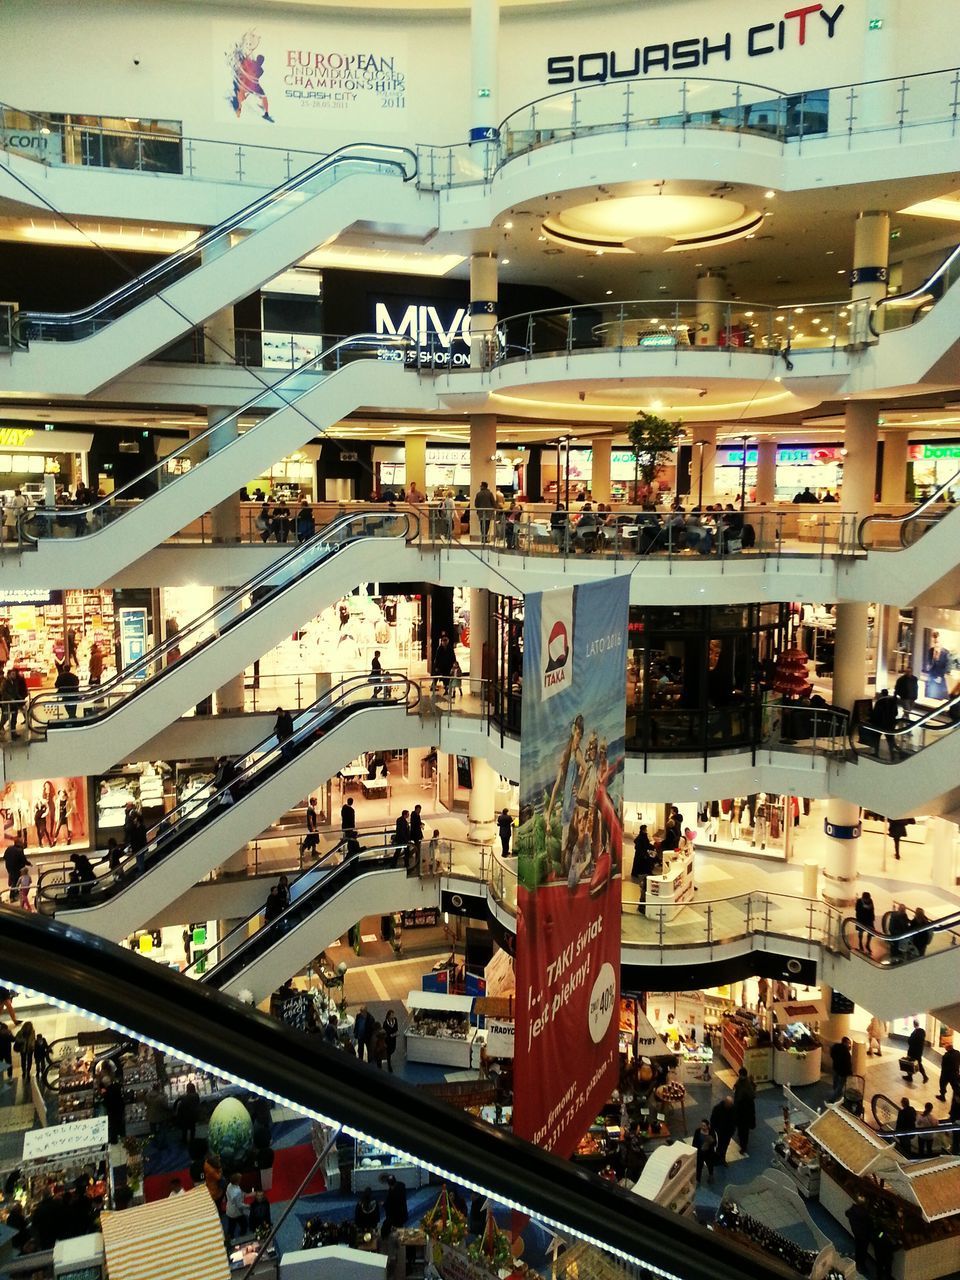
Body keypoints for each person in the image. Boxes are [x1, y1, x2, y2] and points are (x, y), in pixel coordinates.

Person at [845, 1197, 873, 1275]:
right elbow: (870, 1225)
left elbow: (846, 1213)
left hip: (857, 1234)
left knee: (858, 1248)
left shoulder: (852, 1210)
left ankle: (857, 1263)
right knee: (863, 1251)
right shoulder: (865, 1215)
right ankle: (862, 1265)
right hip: (864, 1236)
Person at [733, 1067, 756, 1154]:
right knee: (742, 1130)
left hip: (744, 1112)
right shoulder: (745, 1083)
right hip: (742, 1112)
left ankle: (744, 1147)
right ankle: (742, 1143)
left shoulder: (746, 1087)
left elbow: (741, 1097)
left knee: (744, 1131)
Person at [709, 1096, 737, 1166]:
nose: (730, 1106)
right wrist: (714, 1129)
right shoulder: (717, 1108)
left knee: (725, 1146)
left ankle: (722, 1159)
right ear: (725, 1103)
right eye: (729, 1105)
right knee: (719, 1146)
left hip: (728, 1131)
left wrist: (733, 1129)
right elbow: (713, 1120)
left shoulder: (733, 1108)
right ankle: (717, 1159)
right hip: (720, 1131)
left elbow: (735, 1119)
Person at [3, 666, 27, 738]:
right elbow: (3, 692)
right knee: (5, 717)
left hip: (14, 702)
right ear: (9, 675)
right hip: (6, 703)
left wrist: (21, 699)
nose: (14, 676)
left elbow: (16, 692)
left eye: (14, 674)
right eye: (12, 674)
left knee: (14, 717)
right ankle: (2, 728)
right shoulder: (5, 682)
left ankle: (13, 733)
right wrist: (10, 698)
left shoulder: (15, 682)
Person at [175, 1080, 201, 1147]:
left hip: (186, 1116)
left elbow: (181, 1106)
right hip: (193, 1115)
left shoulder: (185, 1098)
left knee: (185, 1129)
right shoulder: (196, 1095)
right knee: (192, 1128)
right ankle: (192, 1140)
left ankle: (184, 1141)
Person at [692, 1118, 716, 1185]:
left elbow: (715, 1143)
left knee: (710, 1165)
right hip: (700, 1153)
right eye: (702, 1125)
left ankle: (711, 1175)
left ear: (708, 1126)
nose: (702, 1127)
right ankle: (698, 1179)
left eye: (704, 1125)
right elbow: (694, 1142)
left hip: (709, 1153)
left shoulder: (711, 1132)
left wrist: (711, 1142)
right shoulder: (697, 1131)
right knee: (699, 1166)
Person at [830, 1036, 853, 1101]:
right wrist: (850, 1072)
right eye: (848, 1043)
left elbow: (832, 1054)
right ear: (845, 1043)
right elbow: (848, 1064)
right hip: (843, 1072)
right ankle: (833, 1098)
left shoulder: (836, 1046)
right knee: (840, 1085)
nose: (849, 1045)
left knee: (835, 1081)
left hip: (835, 1068)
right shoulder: (846, 1052)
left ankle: (836, 1092)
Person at [224, 1173, 247, 1238]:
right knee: (243, 1223)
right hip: (236, 1212)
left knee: (231, 1225)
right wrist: (248, 1206)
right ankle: (242, 1233)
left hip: (230, 1209)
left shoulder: (229, 1185)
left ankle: (230, 1236)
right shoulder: (237, 1192)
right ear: (237, 1181)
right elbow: (239, 1205)